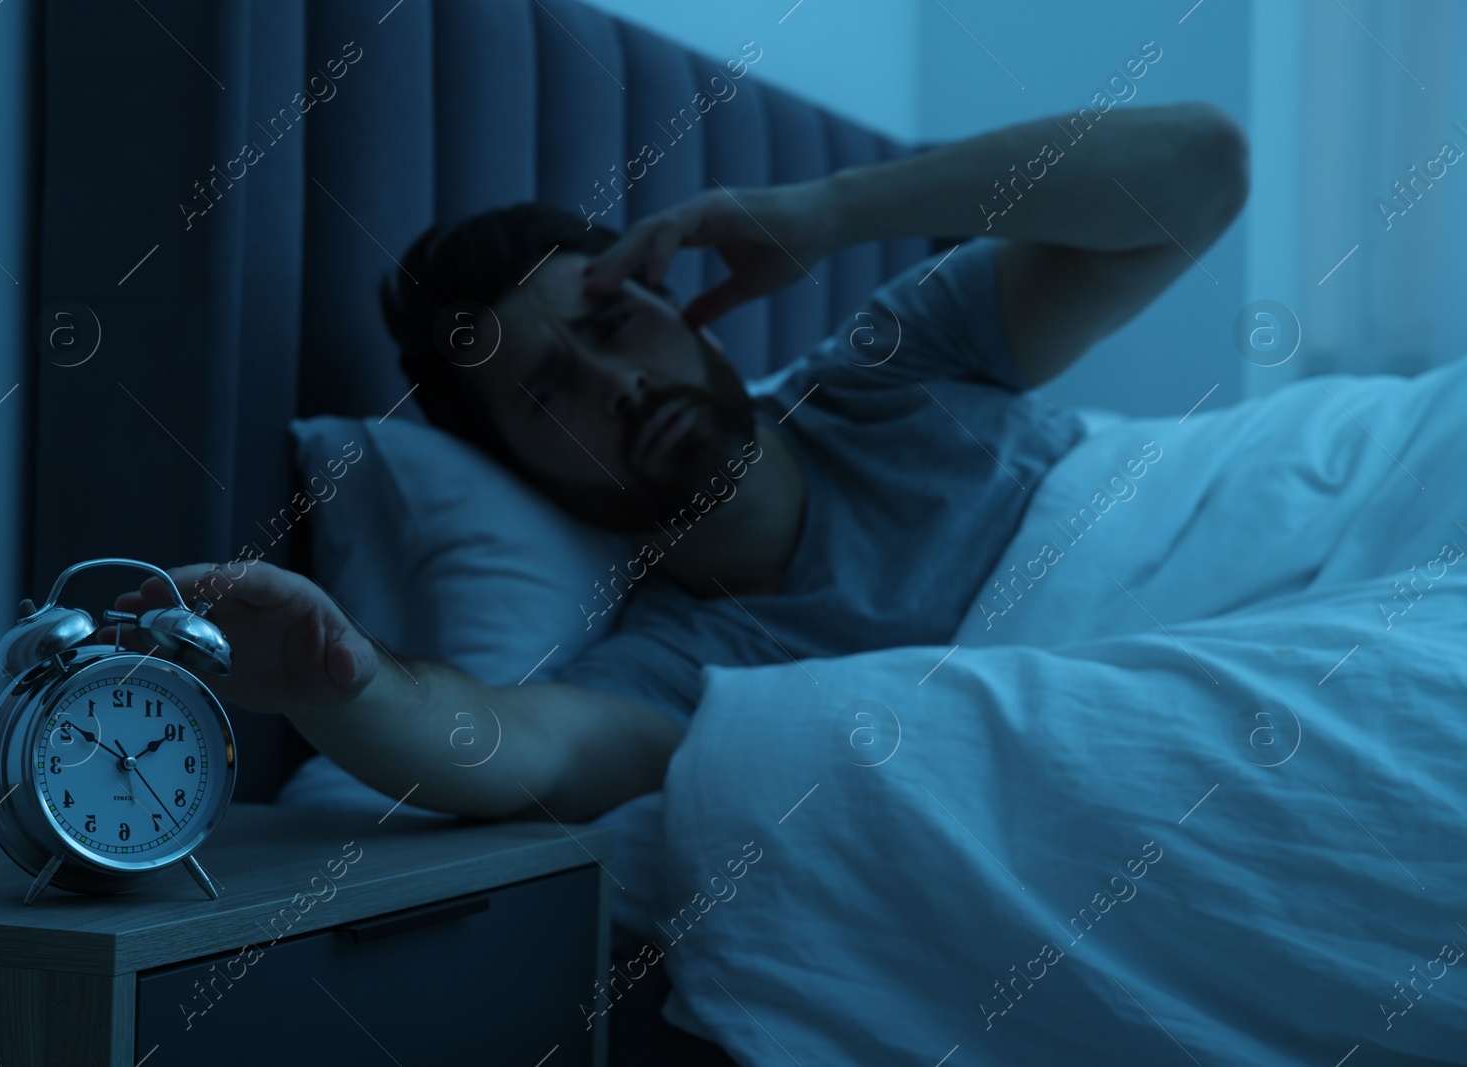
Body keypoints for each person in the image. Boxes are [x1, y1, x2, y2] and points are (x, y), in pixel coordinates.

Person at [100, 102, 1249, 824]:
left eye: (612, 324)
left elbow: (1199, 168)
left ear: (677, 299)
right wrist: (335, 678)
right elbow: (514, 749)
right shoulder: (675, 666)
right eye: (547, 394)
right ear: (519, 469)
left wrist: (831, 210)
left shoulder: (888, 368)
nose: (616, 386)